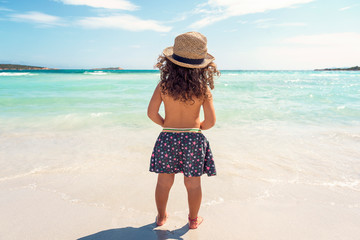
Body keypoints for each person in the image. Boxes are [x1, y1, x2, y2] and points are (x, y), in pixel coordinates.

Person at [147, 32, 219, 229]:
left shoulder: (163, 85)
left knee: (164, 182)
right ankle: (193, 220)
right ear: (202, 66)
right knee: (193, 184)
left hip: (168, 137)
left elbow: (152, 113)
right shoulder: (203, 89)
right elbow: (211, 121)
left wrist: (166, 125)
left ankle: (161, 217)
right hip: (193, 139)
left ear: (171, 63)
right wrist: (197, 128)